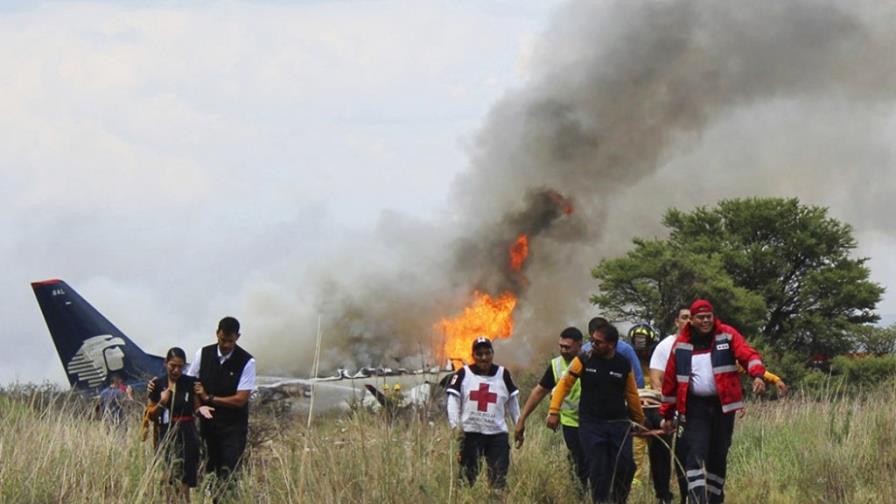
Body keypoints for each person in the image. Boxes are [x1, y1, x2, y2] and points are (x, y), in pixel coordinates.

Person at [651, 306, 788, 504]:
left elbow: (748, 355)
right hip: (694, 408)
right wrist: (666, 415)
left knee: (718, 456)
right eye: (700, 317)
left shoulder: (727, 335)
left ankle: (715, 499)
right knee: (694, 454)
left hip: (722, 408)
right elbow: (670, 382)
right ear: (692, 320)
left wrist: (758, 376)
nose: (706, 321)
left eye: (709, 317)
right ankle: (697, 500)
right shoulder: (681, 344)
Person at [548, 320, 645, 503]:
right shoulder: (584, 359)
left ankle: (618, 500)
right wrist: (554, 411)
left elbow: (632, 394)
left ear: (611, 345)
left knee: (627, 467)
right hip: (591, 424)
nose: (593, 345)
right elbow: (564, 384)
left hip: (618, 424)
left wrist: (639, 419)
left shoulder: (623, 364)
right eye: (592, 340)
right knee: (599, 470)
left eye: (598, 342)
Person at [187, 316, 256, 490]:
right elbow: (191, 382)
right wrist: (198, 406)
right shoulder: (203, 354)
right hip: (208, 426)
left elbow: (241, 399)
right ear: (217, 333)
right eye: (222, 339)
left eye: (230, 341)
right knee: (209, 472)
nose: (225, 345)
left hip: (233, 428)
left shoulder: (247, 361)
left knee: (228, 473)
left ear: (237, 337)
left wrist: (210, 399)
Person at [514, 327, 587, 486]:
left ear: (579, 345)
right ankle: (580, 494)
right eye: (560, 346)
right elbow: (539, 391)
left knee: (595, 460)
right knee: (578, 460)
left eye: (567, 347)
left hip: (593, 421)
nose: (562, 350)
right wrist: (522, 419)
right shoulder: (556, 365)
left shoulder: (591, 361)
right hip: (570, 422)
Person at [447, 336, 521, 489]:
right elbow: (453, 401)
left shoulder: (503, 374)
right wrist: (455, 426)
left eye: (487, 353)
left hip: (497, 435)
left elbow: (513, 402)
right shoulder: (463, 374)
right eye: (479, 354)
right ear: (473, 355)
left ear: (492, 354)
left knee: (498, 479)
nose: (484, 357)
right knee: (467, 480)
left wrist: (519, 426)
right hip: (471, 434)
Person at [147, 347, 214, 502]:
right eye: (173, 366)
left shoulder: (190, 382)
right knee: (168, 475)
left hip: (187, 433)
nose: (176, 370)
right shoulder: (157, 384)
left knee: (185, 478)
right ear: (165, 364)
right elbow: (150, 414)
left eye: (180, 366)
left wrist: (201, 408)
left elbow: (196, 407)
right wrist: (162, 402)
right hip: (165, 433)